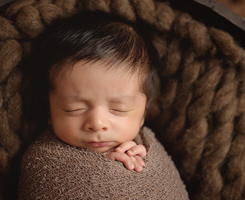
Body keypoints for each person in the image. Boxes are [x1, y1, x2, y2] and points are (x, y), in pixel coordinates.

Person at [18, 11, 188, 199]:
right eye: (74, 109)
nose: (97, 123)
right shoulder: (44, 159)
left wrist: (141, 161)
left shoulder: (145, 145)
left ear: (143, 114)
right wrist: (101, 169)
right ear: (49, 109)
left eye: (118, 109)